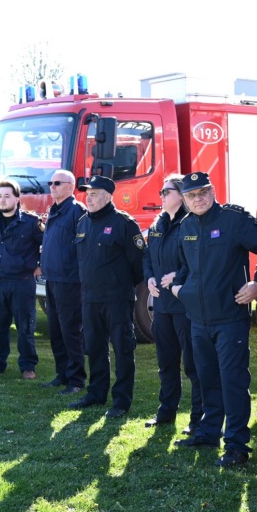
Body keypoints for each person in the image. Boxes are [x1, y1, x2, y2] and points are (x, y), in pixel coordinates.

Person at [170, 172, 257, 468]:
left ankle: (236, 445)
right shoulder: (186, 226)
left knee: (232, 381)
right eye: (192, 195)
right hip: (198, 319)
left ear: (213, 191)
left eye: (203, 192)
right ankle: (208, 432)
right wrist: (180, 288)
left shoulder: (234, 220)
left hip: (229, 318)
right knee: (206, 378)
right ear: (184, 199)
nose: (198, 199)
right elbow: (184, 266)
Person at [69, 175, 146, 418]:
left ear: (108, 196)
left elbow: (138, 265)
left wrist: (118, 284)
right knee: (94, 347)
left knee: (123, 348)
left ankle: (121, 401)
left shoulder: (124, 223)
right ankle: (96, 393)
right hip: (90, 298)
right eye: (87, 194)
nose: (88, 198)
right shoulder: (82, 223)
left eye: (94, 194)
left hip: (116, 298)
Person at [143, 174, 202, 432]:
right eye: (162, 192)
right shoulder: (158, 223)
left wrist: (178, 276)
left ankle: (199, 418)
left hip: (184, 307)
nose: (162, 196)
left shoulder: (191, 223)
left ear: (180, 194)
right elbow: (147, 257)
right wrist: (149, 279)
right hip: (162, 306)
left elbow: (198, 262)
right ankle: (166, 412)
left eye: (166, 191)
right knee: (166, 363)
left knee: (193, 364)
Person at [0, 178, 43, 378]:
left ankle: (27, 367)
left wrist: (40, 266)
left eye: (7, 196)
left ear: (17, 198)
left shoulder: (31, 223)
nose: (2, 200)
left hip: (22, 282)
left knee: (25, 326)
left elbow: (48, 245)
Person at [39, 169, 87, 394]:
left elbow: (82, 246)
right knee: (55, 329)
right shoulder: (55, 210)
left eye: (57, 183)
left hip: (69, 280)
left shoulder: (77, 211)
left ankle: (76, 380)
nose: (52, 186)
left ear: (71, 186)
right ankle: (62, 374)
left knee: (70, 330)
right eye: (51, 182)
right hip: (52, 278)